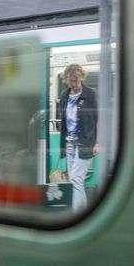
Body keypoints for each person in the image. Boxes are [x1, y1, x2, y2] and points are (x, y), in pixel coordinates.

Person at [59, 63, 99, 212]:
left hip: (86, 141)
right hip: (69, 142)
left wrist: (97, 142)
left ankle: (77, 213)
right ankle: (82, 211)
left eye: (75, 80)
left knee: (76, 178)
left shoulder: (90, 94)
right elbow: (63, 120)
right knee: (75, 180)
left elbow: (97, 119)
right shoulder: (64, 95)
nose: (73, 84)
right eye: (70, 81)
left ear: (81, 78)